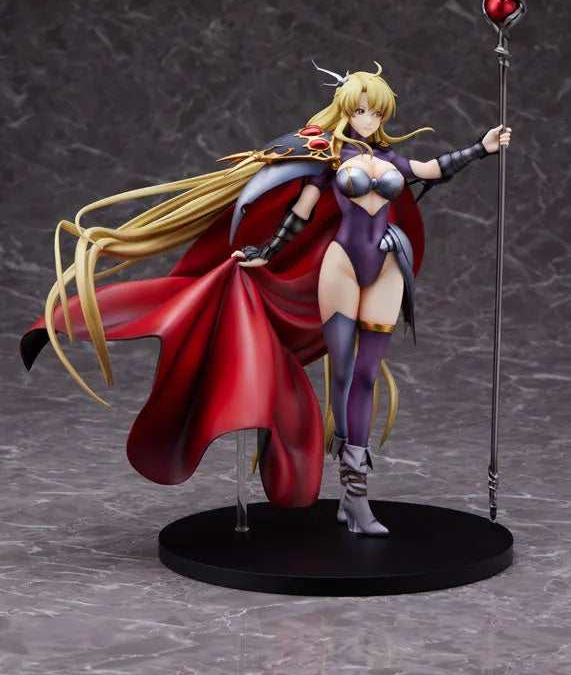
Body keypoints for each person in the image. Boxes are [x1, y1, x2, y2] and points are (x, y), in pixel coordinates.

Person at [20, 61, 510, 537]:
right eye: (360, 110)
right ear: (345, 110)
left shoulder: (392, 162)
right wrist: (267, 251)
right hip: (340, 265)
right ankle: (356, 493)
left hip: (385, 264)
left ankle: (353, 496)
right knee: (343, 373)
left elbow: (431, 169)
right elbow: (301, 213)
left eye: (376, 111)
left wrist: (481, 148)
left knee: (366, 375)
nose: (368, 118)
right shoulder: (327, 159)